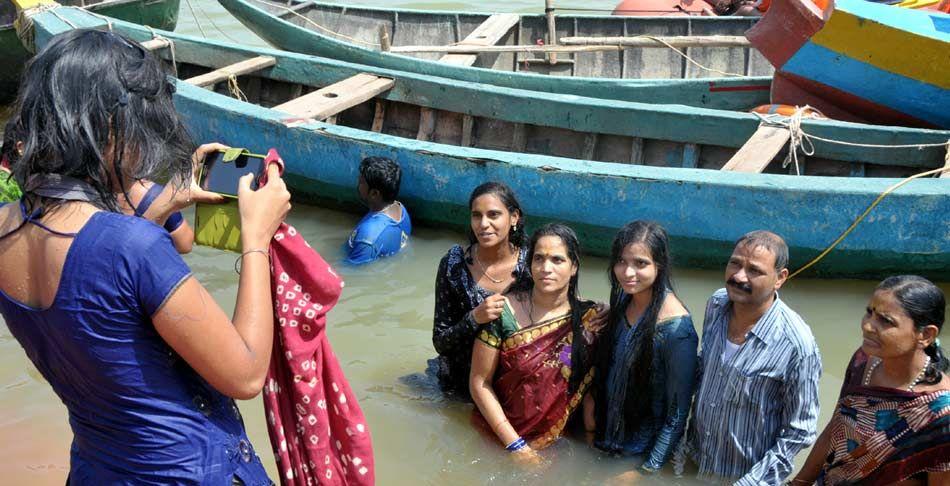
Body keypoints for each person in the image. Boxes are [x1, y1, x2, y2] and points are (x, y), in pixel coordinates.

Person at [0, 29, 290, 484]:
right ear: (109, 128)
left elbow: (92, 276)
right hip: (187, 471)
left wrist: (171, 198)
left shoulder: (5, 228)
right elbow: (247, 373)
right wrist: (256, 236)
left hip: (98, 468)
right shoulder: (134, 247)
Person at [674, 230, 822, 485]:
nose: (739, 276)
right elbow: (703, 370)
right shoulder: (717, 304)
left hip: (745, 477)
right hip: (695, 462)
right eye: (735, 263)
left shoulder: (797, 344)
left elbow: (799, 432)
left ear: (780, 278)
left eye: (754, 270)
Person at [789, 276, 949, 486]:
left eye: (886, 320)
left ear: (926, 334)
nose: (868, 326)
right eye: (869, 312)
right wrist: (798, 483)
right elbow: (834, 430)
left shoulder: (940, 413)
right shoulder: (863, 363)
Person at [469, 223, 601, 464]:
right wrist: (515, 446)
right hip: (496, 440)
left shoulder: (590, 319)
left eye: (557, 260)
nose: (546, 268)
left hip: (557, 445)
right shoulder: (502, 312)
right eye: (538, 258)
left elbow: (591, 388)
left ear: (574, 267)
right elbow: (479, 383)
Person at [594, 221, 698, 479]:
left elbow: (677, 415)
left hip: (638, 455)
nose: (628, 272)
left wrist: (644, 472)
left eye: (640, 263)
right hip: (603, 439)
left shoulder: (677, 330)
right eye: (621, 261)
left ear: (659, 265)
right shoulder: (622, 299)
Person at [431, 182, 529, 398]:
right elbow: (440, 342)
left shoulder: (532, 266)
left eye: (493, 215)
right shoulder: (454, 265)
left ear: (514, 218)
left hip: (514, 390)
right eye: (477, 215)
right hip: (460, 386)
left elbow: (558, 314)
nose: (484, 224)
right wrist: (475, 318)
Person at [344, 156, 410, 265]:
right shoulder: (401, 209)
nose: (357, 184)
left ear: (374, 193)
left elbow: (349, 272)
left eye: (361, 182)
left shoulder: (367, 241)